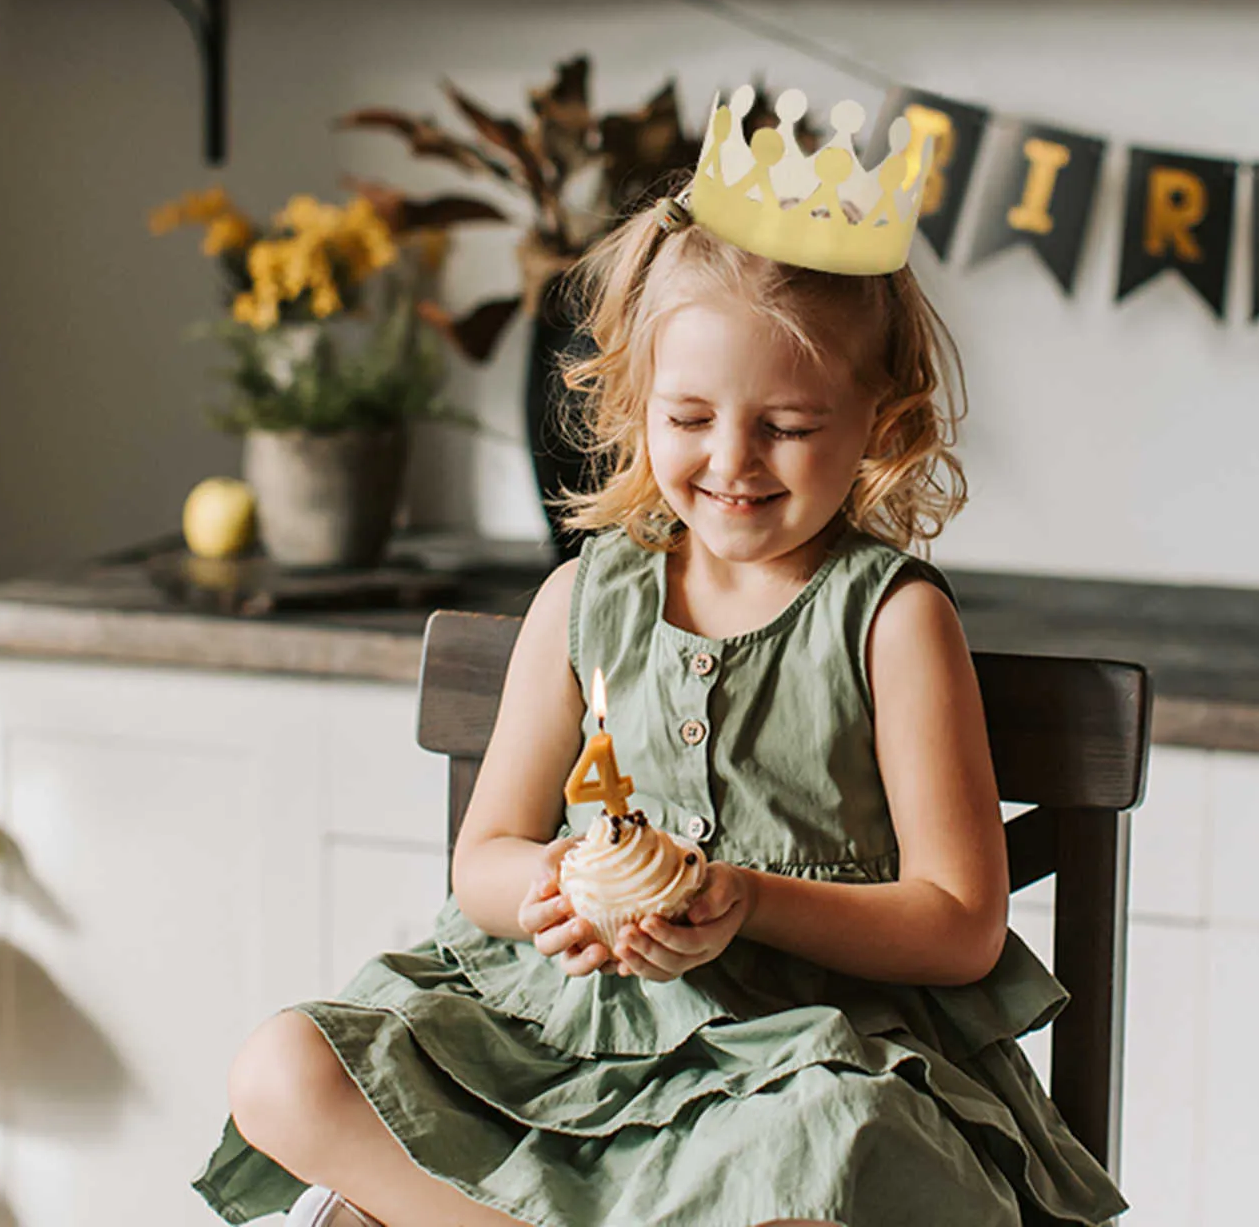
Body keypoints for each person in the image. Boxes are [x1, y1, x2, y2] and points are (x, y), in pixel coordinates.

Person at [194, 94, 1128, 1227]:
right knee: (281, 1073)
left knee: (819, 1164)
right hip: (562, 1038)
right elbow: (483, 859)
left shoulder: (890, 620)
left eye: (784, 426)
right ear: (638, 401)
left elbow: (957, 920)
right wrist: (557, 888)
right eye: (690, 418)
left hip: (792, 1060)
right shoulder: (583, 598)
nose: (731, 461)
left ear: (881, 422)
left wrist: (741, 897)